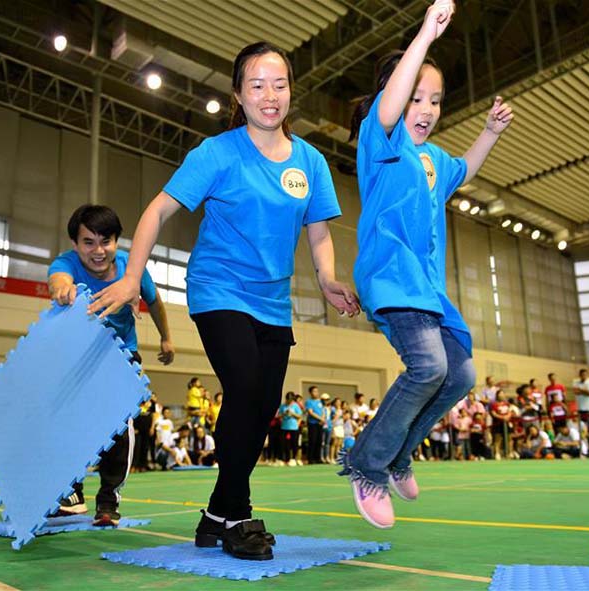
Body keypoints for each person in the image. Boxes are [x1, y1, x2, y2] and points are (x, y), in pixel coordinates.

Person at [87, 41, 359, 560]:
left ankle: (215, 514)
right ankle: (238, 515)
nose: (270, 95)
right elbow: (157, 211)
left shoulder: (311, 161)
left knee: (264, 406)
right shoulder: (216, 153)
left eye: (279, 84)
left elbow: (318, 229)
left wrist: (327, 278)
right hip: (219, 288)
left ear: (290, 91)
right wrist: (131, 278)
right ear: (239, 94)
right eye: (257, 85)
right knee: (246, 386)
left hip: (274, 300)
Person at [337, 0, 512, 529]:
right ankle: (368, 464)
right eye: (417, 96)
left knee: (460, 373)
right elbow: (391, 103)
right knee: (428, 367)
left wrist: (490, 133)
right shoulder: (380, 139)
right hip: (390, 275)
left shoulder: (431, 158)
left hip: (428, 287)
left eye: (436, 100)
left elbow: (464, 170)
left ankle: (397, 455)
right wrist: (425, 37)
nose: (428, 107)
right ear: (395, 95)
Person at [47, 204, 175, 526]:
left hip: (121, 355)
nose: (98, 251)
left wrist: (166, 339)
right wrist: (63, 290)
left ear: (117, 242)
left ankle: (108, 499)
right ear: (76, 244)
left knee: (119, 428)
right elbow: (58, 280)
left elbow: (155, 302)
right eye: (88, 242)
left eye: (106, 241)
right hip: (79, 358)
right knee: (67, 418)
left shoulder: (132, 269)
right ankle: (71, 492)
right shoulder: (67, 264)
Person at [304, 386, 325, 464]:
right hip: (312, 423)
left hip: (320, 424)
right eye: (314, 391)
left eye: (317, 391)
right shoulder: (309, 402)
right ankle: (310, 458)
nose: (316, 393)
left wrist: (323, 419)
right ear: (310, 393)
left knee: (319, 441)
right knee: (312, 440)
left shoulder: (320, 401)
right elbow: (310, 412)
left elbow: (323, 411)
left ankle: (318, 458)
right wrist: (320, 419)